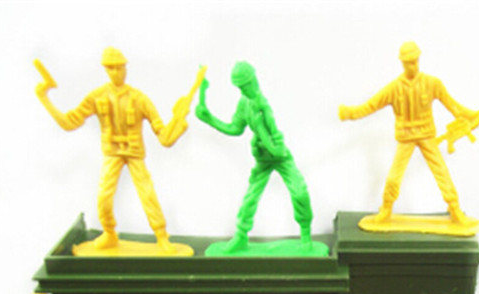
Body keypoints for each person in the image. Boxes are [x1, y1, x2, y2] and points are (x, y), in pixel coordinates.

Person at [36, 47, 197, 253]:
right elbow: (69, 122)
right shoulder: (97, 97)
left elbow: (164, 137)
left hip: (134, 154)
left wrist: (179, 123)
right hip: (112, 153)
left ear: (125, 68)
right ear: (105, 70)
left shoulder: (139, 99)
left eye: (119, 67)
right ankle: (109, 233)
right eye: (111, 68)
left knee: (147, 194)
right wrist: (44, 98)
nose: (116, 72)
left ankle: (161, 236)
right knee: (103, 196)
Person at [339, 41, 477, 224]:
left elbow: (453, 105)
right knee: (394, 176)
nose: (413, 65)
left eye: (415, 61)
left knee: (441, 172)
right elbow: (371, 106)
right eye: (409, 62)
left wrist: (471, 115)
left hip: (427, 136)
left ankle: (455, 208)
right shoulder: (394, 88)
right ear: (402, 63)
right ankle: (386, 209)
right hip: (406, 138)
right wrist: (349, 113)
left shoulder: (432, 83)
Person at [196, 61, 313, 253]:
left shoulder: (263, 106)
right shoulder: (244, 104)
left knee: (299, 192)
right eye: (241, 87)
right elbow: (235, 128)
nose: (244, 90)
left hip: (280, 156)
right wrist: (210, 118)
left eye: (246, 85)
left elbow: (277, 149)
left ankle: (306, 235)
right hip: (262, 157)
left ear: (253, 80)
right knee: (251, 197)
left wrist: (262, 131)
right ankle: (241, 236)